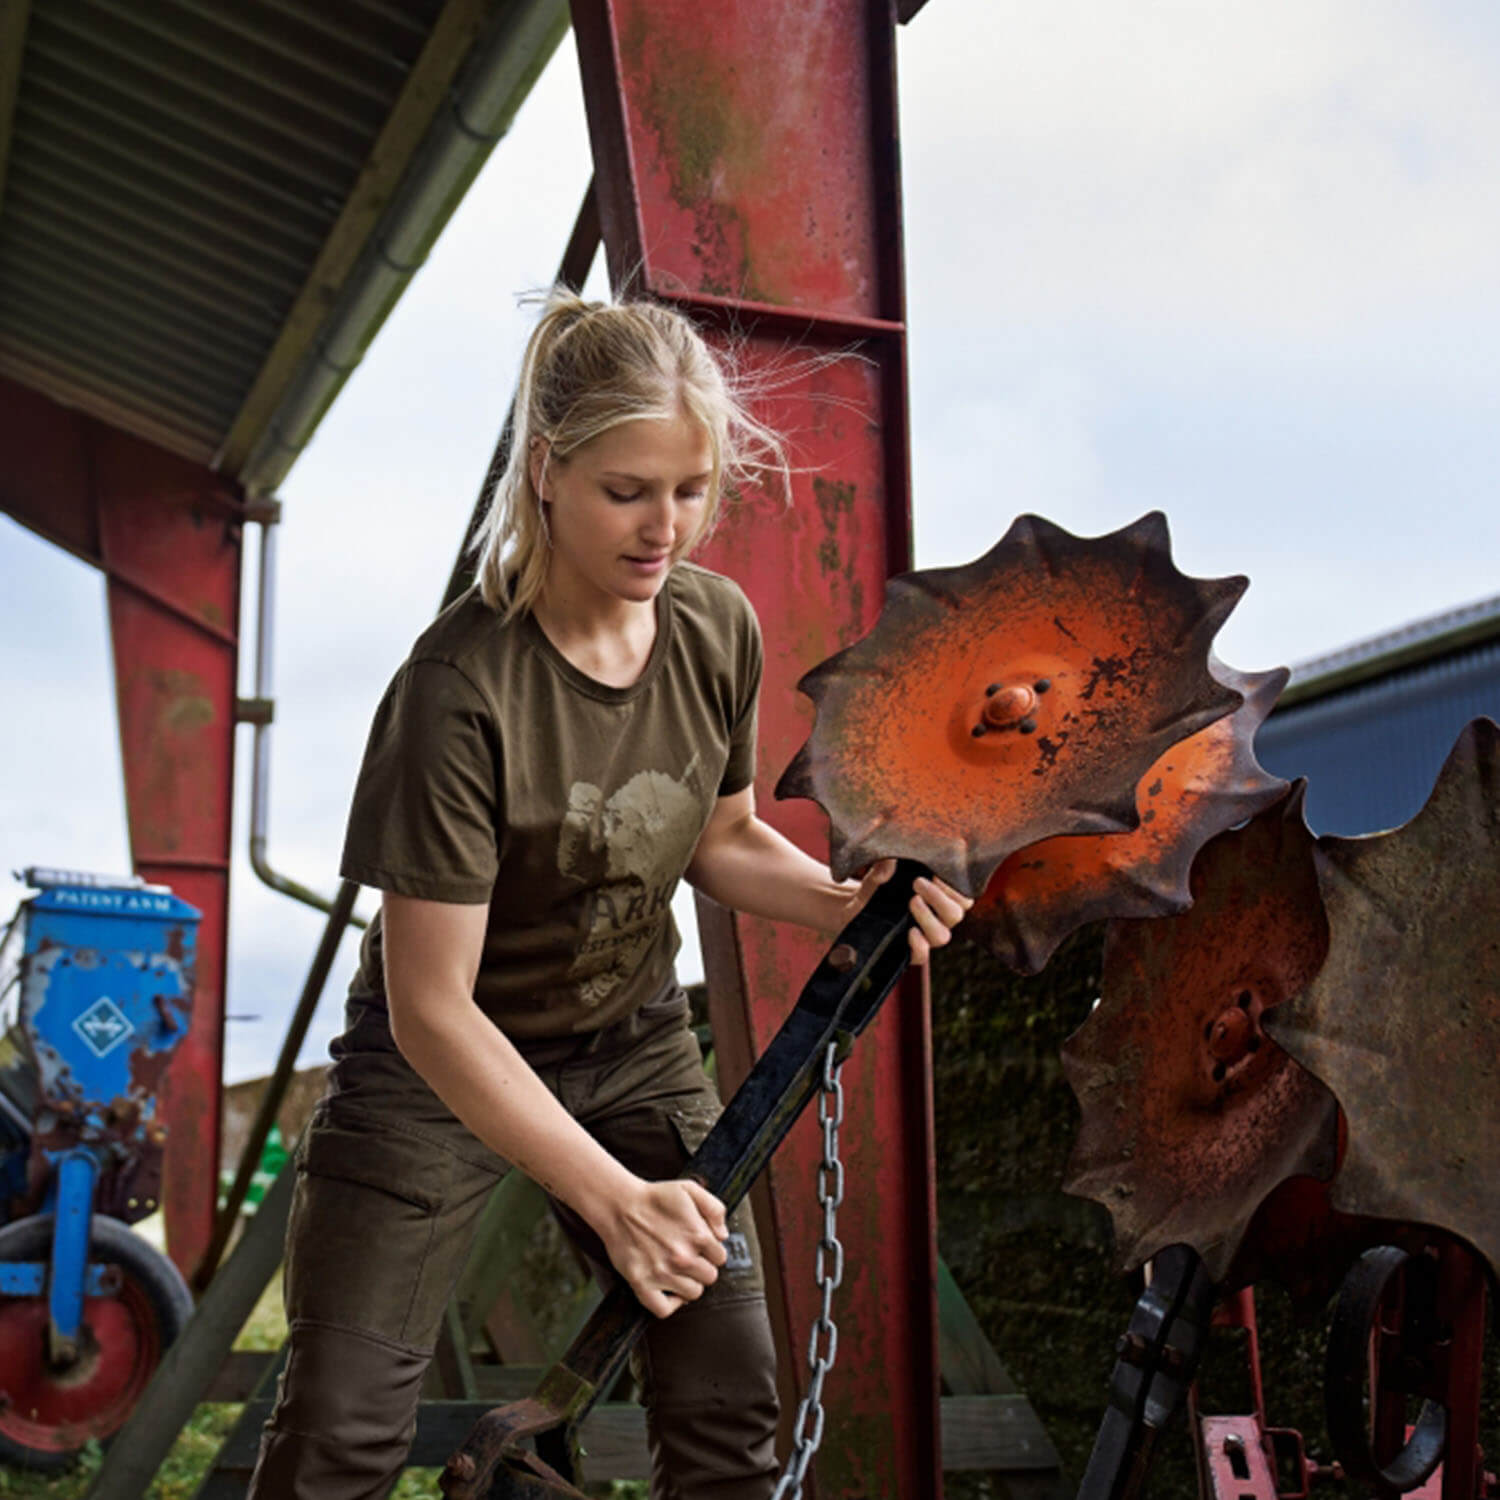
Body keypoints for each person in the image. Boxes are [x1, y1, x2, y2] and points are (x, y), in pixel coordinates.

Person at [247, 290, 970, 1500]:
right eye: (626, 491)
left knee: (729, 1395)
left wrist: (843, 904)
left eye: (690, 490)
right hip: (436, 1068)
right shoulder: (457, 692)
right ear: (545, 471)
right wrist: (616, 1202)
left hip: (630, 1048)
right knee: (342, 1431)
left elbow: (723, 838)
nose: (666, 529)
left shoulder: (711, 627)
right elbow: (432, 1008)